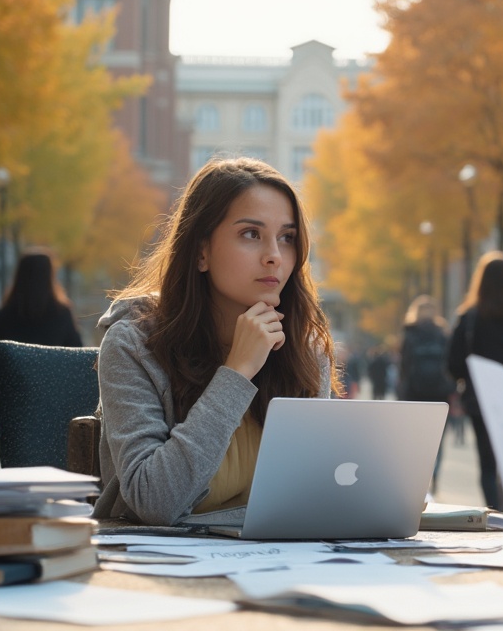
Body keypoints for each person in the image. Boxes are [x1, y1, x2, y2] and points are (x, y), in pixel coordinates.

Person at [94, 158, 339, 526]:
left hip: (278, 559)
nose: (274, 255)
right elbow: (155, 500)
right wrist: (238, 372)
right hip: (164, 565)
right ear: (201, 252)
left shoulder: (303, 350)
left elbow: (311, 491)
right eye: (251, 234)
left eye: (287, 238)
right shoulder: (132, 346)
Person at [446, 251, 503, 512]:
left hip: (482, 397)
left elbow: (453, 360)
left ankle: (494, 512)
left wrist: (465, 379)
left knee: (487, 463)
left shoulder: (471, 317)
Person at [0, 249, 83, 438]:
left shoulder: (2, 316)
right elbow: (77, 357)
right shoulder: (62, 314)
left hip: (13, 404)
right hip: (54, 403)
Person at [398, 295, 455, 493]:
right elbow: (450, 365)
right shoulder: (443, 334)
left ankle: (418, 479)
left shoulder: (410, 333)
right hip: (440, 394)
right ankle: (435, 476)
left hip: (414, 394)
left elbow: (404, 367)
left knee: (416, 439)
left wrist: (401, 393)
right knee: (438, 439)